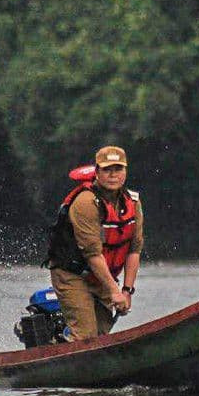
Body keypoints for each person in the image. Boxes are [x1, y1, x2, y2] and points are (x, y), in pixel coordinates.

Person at [44, 145, 143, 341]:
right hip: (72, 274)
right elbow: (92, 254)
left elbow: (134, 250)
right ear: (97, 172)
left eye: (118, 169)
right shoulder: (85, 203)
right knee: (86, 337)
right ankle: (63, 361)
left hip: (100, 276)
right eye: (107, 169)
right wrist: (114, 292)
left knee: (101, 334)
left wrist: (126, 291)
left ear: (125, 171)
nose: (113, 175)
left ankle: (65, 346)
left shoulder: (133, 202)